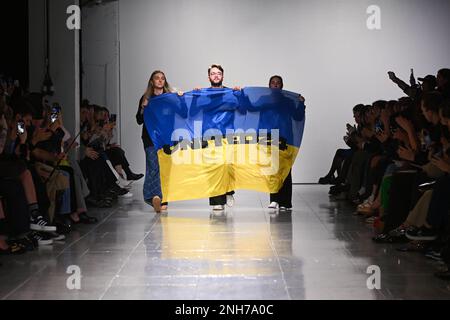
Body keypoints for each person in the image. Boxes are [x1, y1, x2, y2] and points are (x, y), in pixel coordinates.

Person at [266, 75, 306, 211]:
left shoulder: (288, 101)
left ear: (282, 85)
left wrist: (301, 104)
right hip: (270, 138)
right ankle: (274, 199)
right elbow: (251, 108)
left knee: (286, 170)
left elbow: (298, 116)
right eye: (273, 83)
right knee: (273, 169)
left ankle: (286, 202)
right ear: (269, 86)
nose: (275, 85)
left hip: (286, 138)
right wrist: (242, 96)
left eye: (278, 83)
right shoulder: (264, 100)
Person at [136, 71, 172, 213]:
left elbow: (179, 113)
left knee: (165, 168)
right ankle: (155, 197)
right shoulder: (146, 98)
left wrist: (180, 98)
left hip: (166, 138)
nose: (160, 80)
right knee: (153, 166)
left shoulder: (169, 98)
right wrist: (143, 107)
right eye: (157, 78)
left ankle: (161, 198)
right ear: (152, 81)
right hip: (150, 137)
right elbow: (139, 120)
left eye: (162, 78)